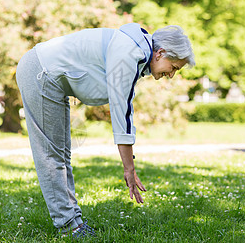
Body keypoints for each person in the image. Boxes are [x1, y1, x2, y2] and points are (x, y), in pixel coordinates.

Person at [16, 23, 195, 238]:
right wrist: (129, 169)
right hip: (41, 72)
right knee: (51, 155)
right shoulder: (130, 53)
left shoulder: (136, 52)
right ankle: (69, 226)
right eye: (174, 67)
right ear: (161, 53)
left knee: (61, 154)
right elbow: (122, 114)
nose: (172, 75)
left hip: (49, 76)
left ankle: (73, 222)